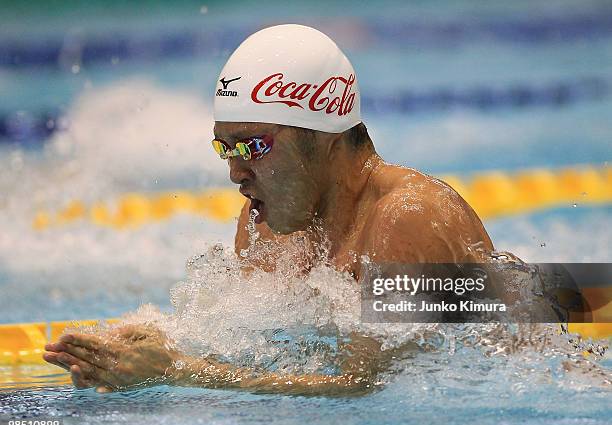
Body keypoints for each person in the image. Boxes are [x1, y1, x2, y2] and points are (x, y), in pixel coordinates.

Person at [43, 24, 494, 395]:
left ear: (324, 138)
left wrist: (178, 370)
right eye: (226, 147)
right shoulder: (271, 226)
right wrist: (139, 349)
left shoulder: (405, 217)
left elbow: (364, 388)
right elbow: (247, 343)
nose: (236, 173)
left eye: (254, 146)